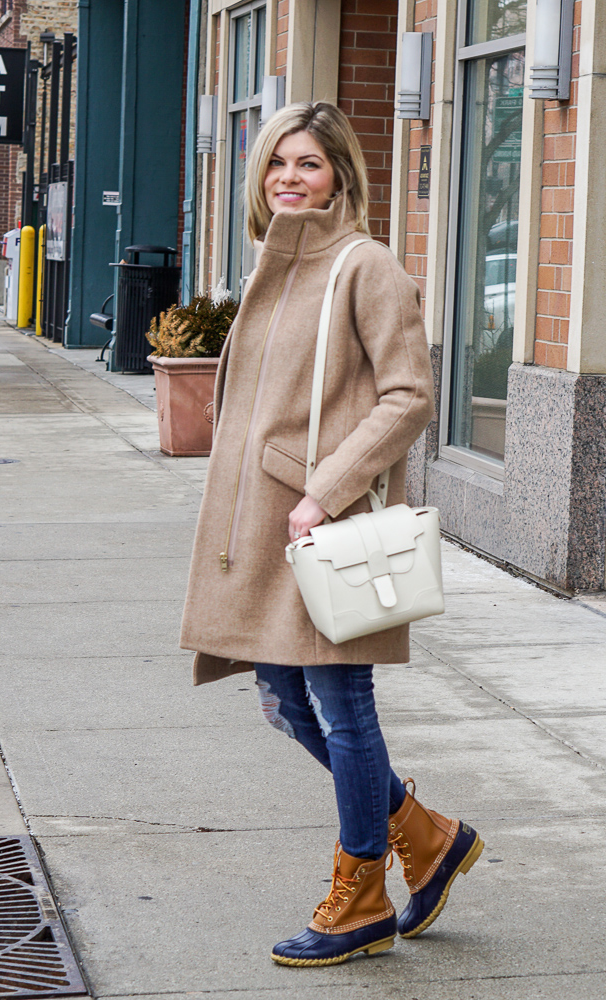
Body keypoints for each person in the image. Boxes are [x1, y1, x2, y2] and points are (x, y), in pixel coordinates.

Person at [179, 103, 479, 968]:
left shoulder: (366, 266)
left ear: (341, 175)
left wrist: (326, 490)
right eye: (278, 163)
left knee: (343, 707)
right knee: (280, 700)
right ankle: (422, 833)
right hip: (263, 531)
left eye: (308, 164)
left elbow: (409, 396)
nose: (289, 178)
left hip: (321, 528)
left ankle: (361, 895)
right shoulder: (272, 265)